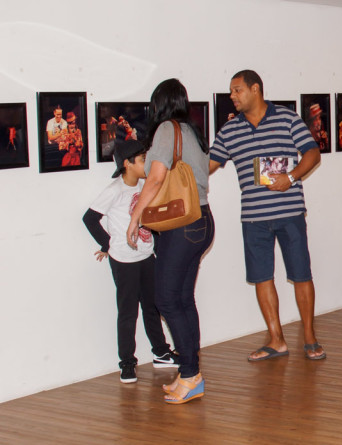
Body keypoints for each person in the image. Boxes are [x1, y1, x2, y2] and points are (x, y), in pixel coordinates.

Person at [208, 70, 326, 361]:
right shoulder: (230, 130)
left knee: (301, 274)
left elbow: (312, 153)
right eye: (231, 91)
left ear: (255, 89)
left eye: (237, 90)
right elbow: (206, 165)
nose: (232, 96)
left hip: (290, 214)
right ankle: (276, 340)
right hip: (253, 217)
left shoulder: (287, 118)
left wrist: (292, 176)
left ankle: (310, 338)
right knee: (262, 277)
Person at [127, 78, 213, 404]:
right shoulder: (192, 131)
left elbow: (158, 177)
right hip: (202, 221)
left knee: (165, 299)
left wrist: (136, 216)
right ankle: (191, 373)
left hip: (182, 226)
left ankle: (190, 373)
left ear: (159, 104)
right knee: (181, 299)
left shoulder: (166, 130)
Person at [83, 139, 178, 384]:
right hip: (123, 260)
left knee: (152, 307)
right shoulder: (114, 190)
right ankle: (127, 363)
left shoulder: (146, 186)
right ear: (127, 163)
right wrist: (107, 245)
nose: (147, 163)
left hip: (146, 256)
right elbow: (90, 218)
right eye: (143, 159)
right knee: (127, 312)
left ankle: (160, 352)